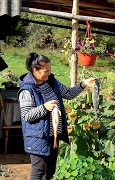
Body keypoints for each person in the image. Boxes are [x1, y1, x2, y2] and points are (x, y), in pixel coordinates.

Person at [18, 52, 95, 180]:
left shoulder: (51, 82)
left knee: (50, 171)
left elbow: (69, 94)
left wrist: (83, 84)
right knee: (39, 172)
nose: (49, 73)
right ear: (34, 70)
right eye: (46, 70)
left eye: (50, 70)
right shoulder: (27, 89)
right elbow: (27, 115)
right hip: (38, 137)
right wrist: (44, 108)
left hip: (54, 135)